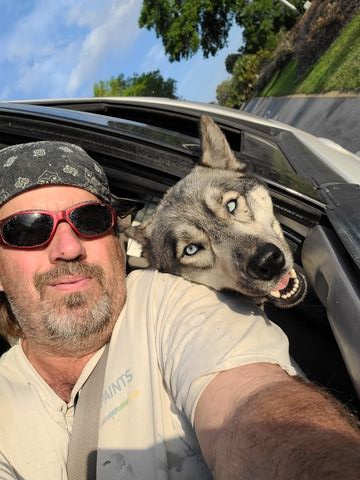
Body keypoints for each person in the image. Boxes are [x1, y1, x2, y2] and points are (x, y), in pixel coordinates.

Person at [0, 140, 359, 480]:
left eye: (90, 219)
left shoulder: (172, 301)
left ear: (116, 239)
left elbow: (250, 402)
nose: (68, 246)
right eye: (27, 230)